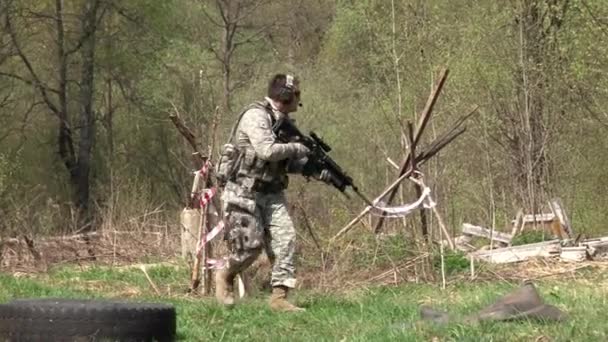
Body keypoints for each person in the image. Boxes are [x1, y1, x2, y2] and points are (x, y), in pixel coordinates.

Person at [215, 73, 314, 312]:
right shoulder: (256, 116)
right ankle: (225, 274)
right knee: (250, 247)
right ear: (287, 95)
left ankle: (279, 298)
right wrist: (298, 147)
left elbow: (283, 163)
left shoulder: (283, 122)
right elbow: (267, 151)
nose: (298, 99)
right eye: (295, 94)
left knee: (286, 240)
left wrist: (312, 168)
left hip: (272, 193)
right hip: (242, 192)